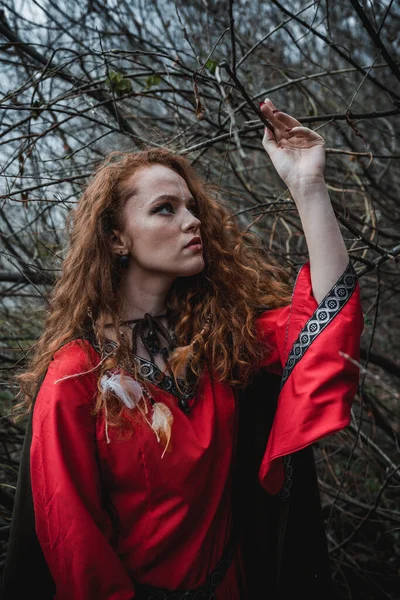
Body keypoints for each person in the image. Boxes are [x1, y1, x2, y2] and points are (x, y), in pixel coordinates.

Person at [2, 98, 364, 599]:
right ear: (115, 240)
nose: (192, 220)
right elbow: (75, 546)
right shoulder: (75, 378)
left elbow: (329, 321)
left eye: (191, 206)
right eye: (165, 209)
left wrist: (308, 187)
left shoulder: (219, 342)